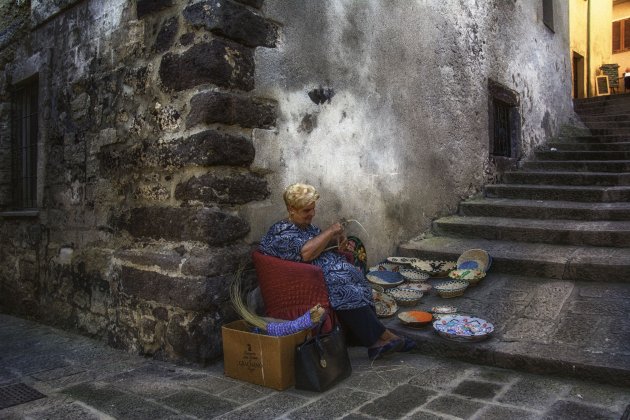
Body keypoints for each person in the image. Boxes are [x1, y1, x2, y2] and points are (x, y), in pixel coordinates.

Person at [258, 183, 416, 360]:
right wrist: (331, 230)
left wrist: (337, 243)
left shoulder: (307, 227)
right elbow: (307, 253)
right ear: (290, 209)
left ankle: (375, 339)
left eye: (312, 209)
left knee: (354, 277)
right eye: (306, 211)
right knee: (342, 285)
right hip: (308, 280)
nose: (311, 214)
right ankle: (382, 338)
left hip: (324, 272)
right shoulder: (281, 232)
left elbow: (319, 247)